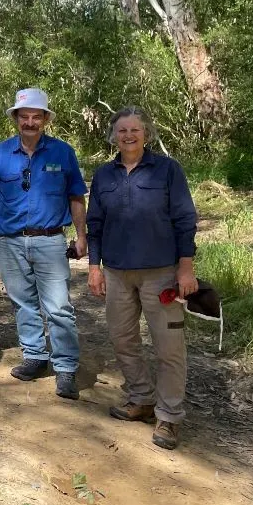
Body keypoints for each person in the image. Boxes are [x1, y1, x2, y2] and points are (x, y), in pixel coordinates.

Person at [87, 107, 197, 451]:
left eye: (135, 130)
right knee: (122, 339)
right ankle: (141, 398)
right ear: (114, 136)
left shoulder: (168, 169)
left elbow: (185, 219)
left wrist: (186, 266)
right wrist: (94, 266)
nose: (128, 136)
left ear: (145, 133)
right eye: (122, 130)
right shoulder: (104, 175)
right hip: (117, 272)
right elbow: (94, 224)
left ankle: (169, 416)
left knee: (169, 347)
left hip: (162, 273)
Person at [0, 88, 87, 400]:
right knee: (23, 303)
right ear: (16, 118)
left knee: (59, 307)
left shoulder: (62, 153)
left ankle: (65, 368)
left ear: (45, 120)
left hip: (50, 240)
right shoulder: (0, 154)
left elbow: (76, 196)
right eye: (24, 116)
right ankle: (35, 356)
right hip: (11, 241)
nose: (29, 122)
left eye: (36, 117)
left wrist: (82, 236)